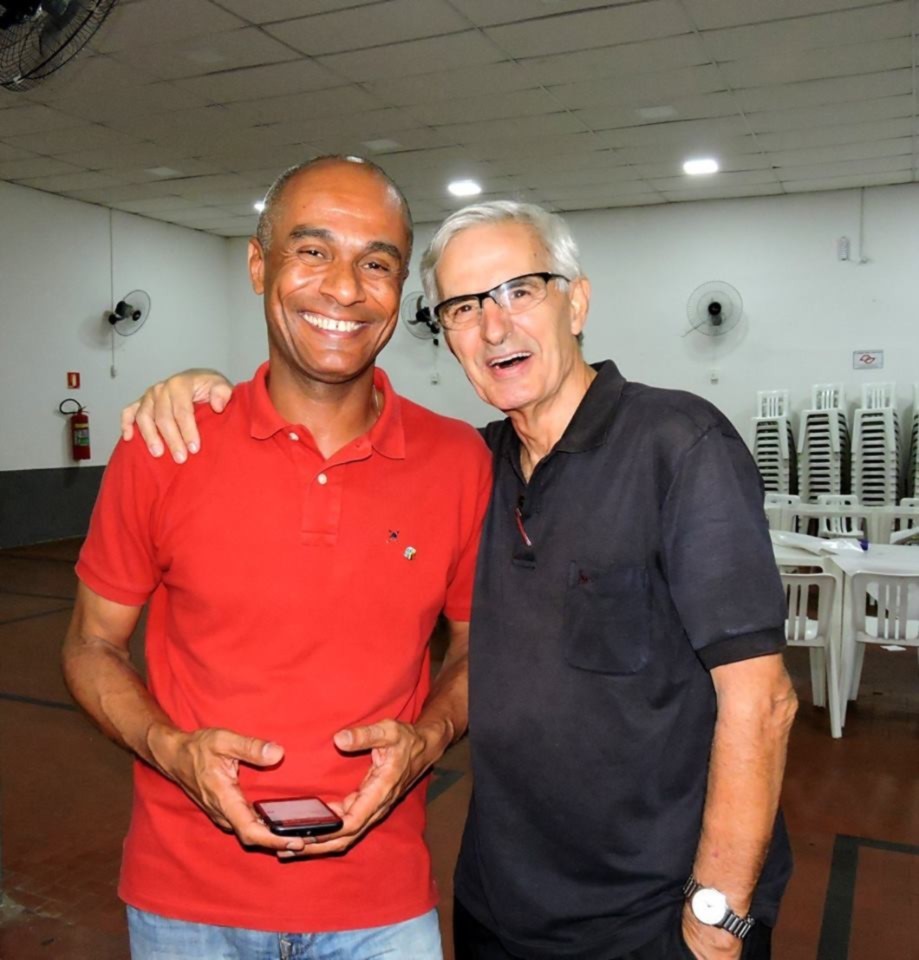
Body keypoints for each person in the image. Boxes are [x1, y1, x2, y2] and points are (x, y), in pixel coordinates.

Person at [123, 201, 798, 960]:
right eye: (464, 307)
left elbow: (762, 702)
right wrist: (198, 390)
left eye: (520, 290)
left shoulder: (679, 445)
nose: (494, 327)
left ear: (576, 302)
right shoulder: (474, 466)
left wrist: (717, 918)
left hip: (651, 917)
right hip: (498, 909)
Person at [62, 156, 492, 960]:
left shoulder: (459, 460)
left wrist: (428, 738)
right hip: (185, 903)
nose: (344, 289)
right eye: (313, 251)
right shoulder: (166, 445)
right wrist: (171, 751)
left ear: (402, 290)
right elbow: (90, 644)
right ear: (259, 266)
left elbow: (476, 644)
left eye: (376, 263)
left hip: (381, 905)